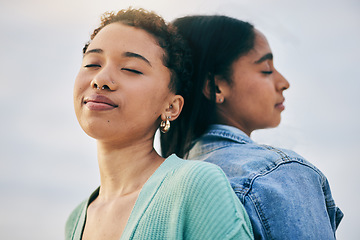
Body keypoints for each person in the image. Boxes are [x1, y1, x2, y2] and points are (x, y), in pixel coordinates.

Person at [65, 8, 254, 240]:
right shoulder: (76, 220)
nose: (100, 80)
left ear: (171, 107)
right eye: (92, 64)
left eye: (131, 69)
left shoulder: (196, 186)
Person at [161, 15, 343, 239]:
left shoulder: (157, 188)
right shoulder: (276, 174)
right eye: (266, 69)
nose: (284, 82)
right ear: (216, 87)